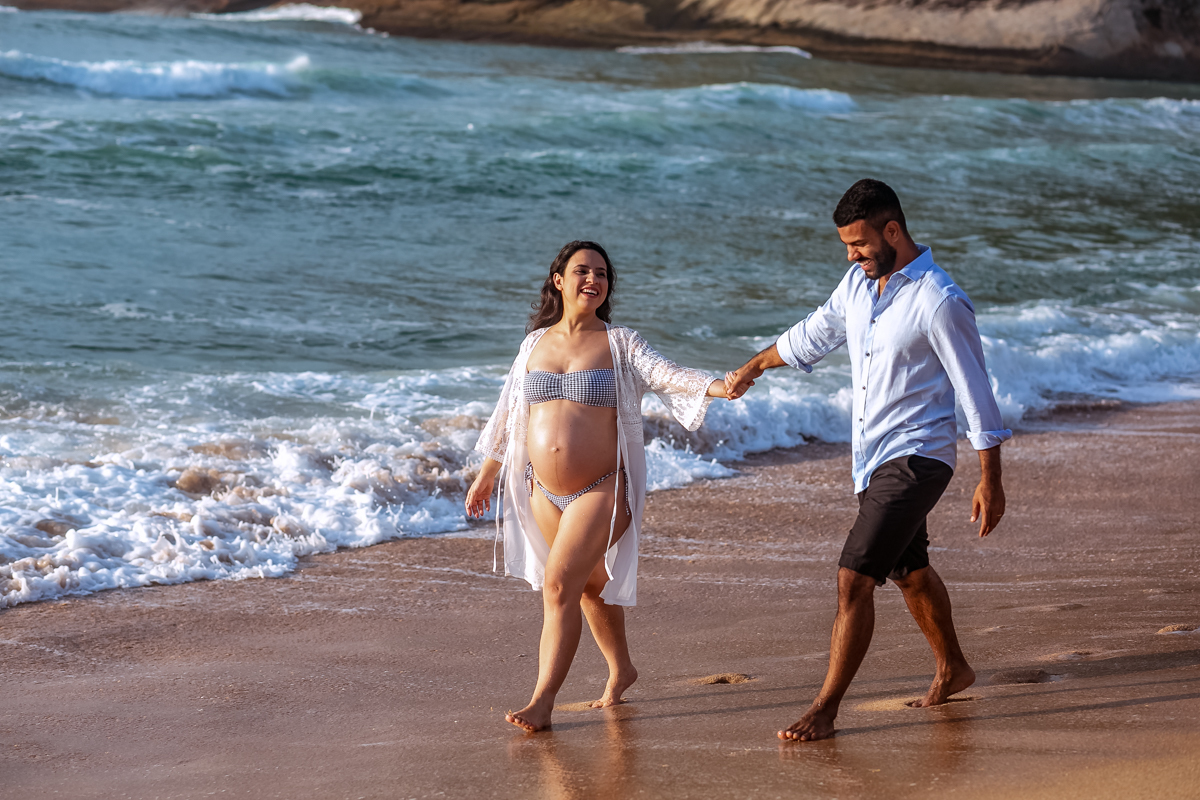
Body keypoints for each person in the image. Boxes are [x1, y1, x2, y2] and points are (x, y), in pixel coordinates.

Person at [725, 179, 1012, 742]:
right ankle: (954, 667)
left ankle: (825, 709)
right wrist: (756, 365)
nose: (852, 256)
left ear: (892, 231)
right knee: (909, 572)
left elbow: (975, 391)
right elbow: (814, 334)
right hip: (873, 458)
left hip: (920, 456)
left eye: (858, 244)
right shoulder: (859, 285)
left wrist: (991, 479)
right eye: (845, 247)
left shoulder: (939, 299)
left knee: (853, 578)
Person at [467, 240, 731, 733]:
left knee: (558, 584)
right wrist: (488, 471)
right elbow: (507, 410)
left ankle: (542, 701)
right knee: (589, 588)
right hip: (540, 488)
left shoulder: (620, 343)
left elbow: (667, 375)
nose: (593, 279)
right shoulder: (534, 344)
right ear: (558, 280)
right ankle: (622, 670)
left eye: (602, 274)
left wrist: (720, 385)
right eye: (582, 271)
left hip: (603, 487)